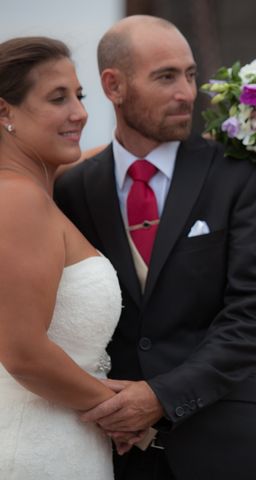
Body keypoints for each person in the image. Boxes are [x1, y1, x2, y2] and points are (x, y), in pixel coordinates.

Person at [55, 15, 256, 480]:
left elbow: (254, 315)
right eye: (166, 77)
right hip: (114, 454)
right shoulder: (72, 191)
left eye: (190, 74)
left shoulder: (241, 177)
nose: (187, 92)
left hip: (227, 445)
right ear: (113, 86)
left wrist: (160, 397)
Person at [0, 36, 124, 478]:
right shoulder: (18, 202)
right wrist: (124, 412)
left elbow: (111, 161)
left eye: (80, 95)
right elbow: (23, 354)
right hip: (36, 452)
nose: (81, 112)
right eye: (58, 98)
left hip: (64, 446)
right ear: (4, 112)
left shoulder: (34, 187)